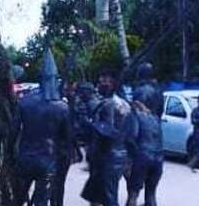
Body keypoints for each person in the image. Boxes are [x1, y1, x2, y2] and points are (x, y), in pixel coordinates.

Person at [12, 50, 74, 206]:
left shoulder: (24, 101)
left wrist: (11, 156)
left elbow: (13, 132)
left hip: (25, 158)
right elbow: (67, 141)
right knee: (41, 201)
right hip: (48, 161)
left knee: (17, 200)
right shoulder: (62, 107)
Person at [80, 71, 130, 206]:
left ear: (111, 85)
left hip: (107, 156)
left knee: (108, 196)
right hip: (118, 154)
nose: (99, 85)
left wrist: (90, 125)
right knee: (96, 194)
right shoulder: (123, 104)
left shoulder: (108, 104)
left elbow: (107, 131)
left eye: (103, 82)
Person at [124, 100, 163, 206]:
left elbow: (131, 137)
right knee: (151, 193)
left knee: (133, 192)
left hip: (142, 156)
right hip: (158, 158)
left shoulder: (134, 116)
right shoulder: (155, 117)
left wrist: (130, 158)